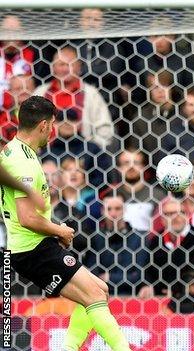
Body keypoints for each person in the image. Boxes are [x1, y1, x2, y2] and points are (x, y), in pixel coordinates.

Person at [1, 96, 131, 351]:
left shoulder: (14, 151)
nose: (52, 130)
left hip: (36, 246)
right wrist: (59, 229)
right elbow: (27, 218)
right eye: (51, 124)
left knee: (99, 291)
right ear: (42, 125)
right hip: (32, 250)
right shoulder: (22, 162)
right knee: (94, 295)